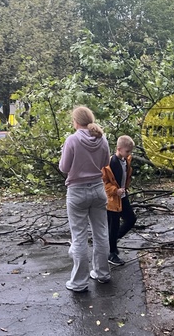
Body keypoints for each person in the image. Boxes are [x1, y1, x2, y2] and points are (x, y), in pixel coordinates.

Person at [59, 106, 111, 292]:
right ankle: (102, 273)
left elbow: (64, 168)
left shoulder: (72, 140)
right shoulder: (102, 138)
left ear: (76, 121)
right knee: (101, 233)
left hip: (77, 192)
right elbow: (105, 164)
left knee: (79, 237)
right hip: (98, 189)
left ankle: (79, 282)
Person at [102, 135, 137, 266]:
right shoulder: (110, 163)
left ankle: (114, 240)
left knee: (131, 219)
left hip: (122, 196)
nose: (129, 154)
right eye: (127, 151)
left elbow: (125, 176)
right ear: (119, 148)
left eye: (130, 151)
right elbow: (104, 182)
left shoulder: (126, 161)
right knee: (113, 224)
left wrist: (124, 189)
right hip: (112, 199)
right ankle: (112, 253)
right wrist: (115, 191)